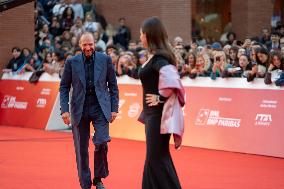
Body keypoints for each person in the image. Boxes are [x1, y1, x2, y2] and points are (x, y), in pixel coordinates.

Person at [59, 32, 119, 189]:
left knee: (102, 141)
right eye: (84, 44)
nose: (88, 47)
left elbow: (113, 85)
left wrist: (114, 109)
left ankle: (98, 178)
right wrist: (64, 110)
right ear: (80, 45)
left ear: (95, 44)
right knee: (81, 148)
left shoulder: (105, 60)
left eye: (90, 44)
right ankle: (85, 184)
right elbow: (64, 86)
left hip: (100, 107)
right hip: (80, 108)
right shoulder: (71, 62)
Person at [138, 17, 185, 189]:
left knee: (157, 159)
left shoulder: (159, 59)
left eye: (141, 34)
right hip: (152, 117)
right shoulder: (154, 57)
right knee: (155, 158)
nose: (140, 38)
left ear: (149, 35)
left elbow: (174, 82)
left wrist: (160, 98)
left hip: (158, 117)